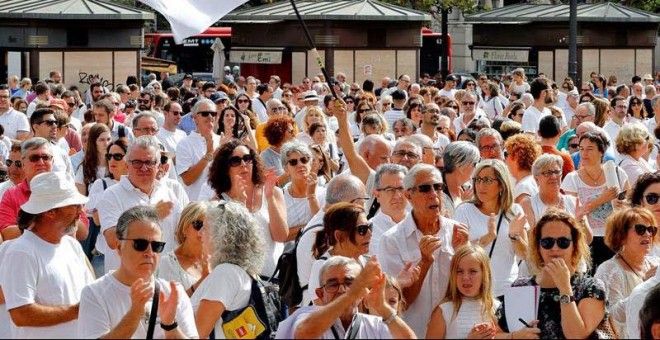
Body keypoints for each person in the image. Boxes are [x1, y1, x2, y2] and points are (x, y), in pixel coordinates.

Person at [78, 206, 198, 338]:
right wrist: (134, 314)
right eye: (140, 244)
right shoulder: (94, 294)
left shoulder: (174, 294)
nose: (149, 253)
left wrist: (170, 326)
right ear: (119, 247)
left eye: (156, 246)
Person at [379, 164, 470, 337]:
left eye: (438, 187)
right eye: (425, 188)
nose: (434, 194)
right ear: (408, 195)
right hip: (413, 333)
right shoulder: (391, 240)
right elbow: (396, 303)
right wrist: (425, 262)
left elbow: (471, 289)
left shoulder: (458, 233)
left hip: (454, 332)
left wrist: (465, 253)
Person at [0, 171, 92, 338]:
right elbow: (21, 314)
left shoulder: (72, 245)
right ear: (50, 211)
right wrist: (75, 311)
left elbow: (90, 294)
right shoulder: (21, 252)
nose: (81, 211)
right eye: (74, 205)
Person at [495, 208, 607, 339]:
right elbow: (495, 334)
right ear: (538, 247)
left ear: (575, 246)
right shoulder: (521, 288)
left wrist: (565, 288)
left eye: (563, 242)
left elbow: (576, 336)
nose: (555, 248)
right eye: (547, 242)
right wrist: (514, 336)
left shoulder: (591, 287)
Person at [99, 136, 189, 274]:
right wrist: (151, 215)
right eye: (137, 162)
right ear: (127, 164)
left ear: (158, 166)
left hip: (165, 281)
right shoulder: (111, 195)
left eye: (149, 162)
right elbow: (113, 240)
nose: (144, 167)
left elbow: (183, 236)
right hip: (127, 286)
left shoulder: (170, 193)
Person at [191, 201, 272, 338]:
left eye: (204, 228)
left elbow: (197, 334)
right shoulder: (241, 272)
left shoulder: (225, 273)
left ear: (221, 233)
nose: (199, 233)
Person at [207, 140, 288, 278]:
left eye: (247, 158)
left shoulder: (273, 192)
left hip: (274, 280)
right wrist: (239, 202)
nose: (243, 164)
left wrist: (270, 198)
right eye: (235, 161)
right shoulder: (218, 202)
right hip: (239, 281)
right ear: (225, 168)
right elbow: (223, 247)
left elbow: (281, 236)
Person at [286, 256, 416, 339]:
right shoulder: (304, 318)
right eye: (333, 284)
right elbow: (304, 333)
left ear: (363, 292)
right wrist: (353, 291)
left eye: (349, 283)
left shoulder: (375, 325)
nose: (342, 290)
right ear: (320, 294)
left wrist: (383, 308)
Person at [453, 159, 529, 297]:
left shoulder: (514, 211)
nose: (481, 185)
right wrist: (487, 238)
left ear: (501, 185)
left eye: (487, 180)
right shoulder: (464, 210)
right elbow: (458, 254)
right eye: (478, 179)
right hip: (475, 290)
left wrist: (514, 236)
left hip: (506, 290)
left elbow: (524, 254)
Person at [561, 132, 630, 268]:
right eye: (581, 149)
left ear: (601, 152)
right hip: (587, 239)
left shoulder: (618, 173)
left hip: (614, 237)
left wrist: (623, 204)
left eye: (590, 149)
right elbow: (574, 212)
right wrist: (602, 199)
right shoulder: (572, 179)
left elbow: (631, 202)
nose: (584, 153)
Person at [594, 207, 658, 337]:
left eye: (651, 230)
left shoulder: (656, 263)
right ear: (621, 236)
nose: (648, 234)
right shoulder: (608, 270)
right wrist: (645, 287)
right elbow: (611, 317)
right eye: (640, 229)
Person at [426, 245, 500, 339]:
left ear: (484, 274)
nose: (465, 277)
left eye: (473, 271)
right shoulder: (443, 310)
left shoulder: (497, 308)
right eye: (459, 271)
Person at [307, 202, 372, 305]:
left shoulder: (364, 262)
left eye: (369, 227)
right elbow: (323, 311)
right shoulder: (322, 267)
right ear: (339, 236)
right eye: (362, 230)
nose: (369, 234)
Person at [157, 201, 212, 296]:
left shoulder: (217, 259)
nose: (202, 232)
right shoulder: (168, 263)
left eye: (208, 227)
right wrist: (203, 280)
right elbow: (171, 305)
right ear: (184, 227)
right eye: (198, 225)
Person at [175, 99, 222, 201]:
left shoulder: (221, 141)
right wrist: (208, 155)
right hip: (196, 206)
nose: (210, 116)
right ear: (195, 117)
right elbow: (187, 179)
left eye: (213, 114)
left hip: (220, 206)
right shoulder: (184, 144)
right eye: (205, 113)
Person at [281, 141, 325, 239]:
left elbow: (323, 228)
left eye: (304, 160)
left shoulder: (323, 193)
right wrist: (309, 227)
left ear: (310, 163)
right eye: (293, 162)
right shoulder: (280, 197)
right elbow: (281, 235)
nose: (300, 164)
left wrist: (311, 196)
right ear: (286, 169)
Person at [370, 164, 409, 255]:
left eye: (401, 188)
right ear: (377, 195)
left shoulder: (420, 222)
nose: (397, 195)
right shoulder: (370, 230)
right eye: (390, 189)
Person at [440, 141, 479, 218]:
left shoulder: (470, 188)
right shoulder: (435, 191)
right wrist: (463, 205)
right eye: (474, 164)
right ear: (460, 165)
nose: (476, 168)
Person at [504, 133, 542, 202]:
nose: (505, 159)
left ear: (517, 155)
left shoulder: (524, 188)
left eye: (507, 154)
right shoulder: (532, 181)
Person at [75, 123, 111, 195]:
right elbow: (80, 200)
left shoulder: (117, 164)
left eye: (108, 139)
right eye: (101, 140)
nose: (106, 144)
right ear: (93, 142)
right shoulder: (85, 169)